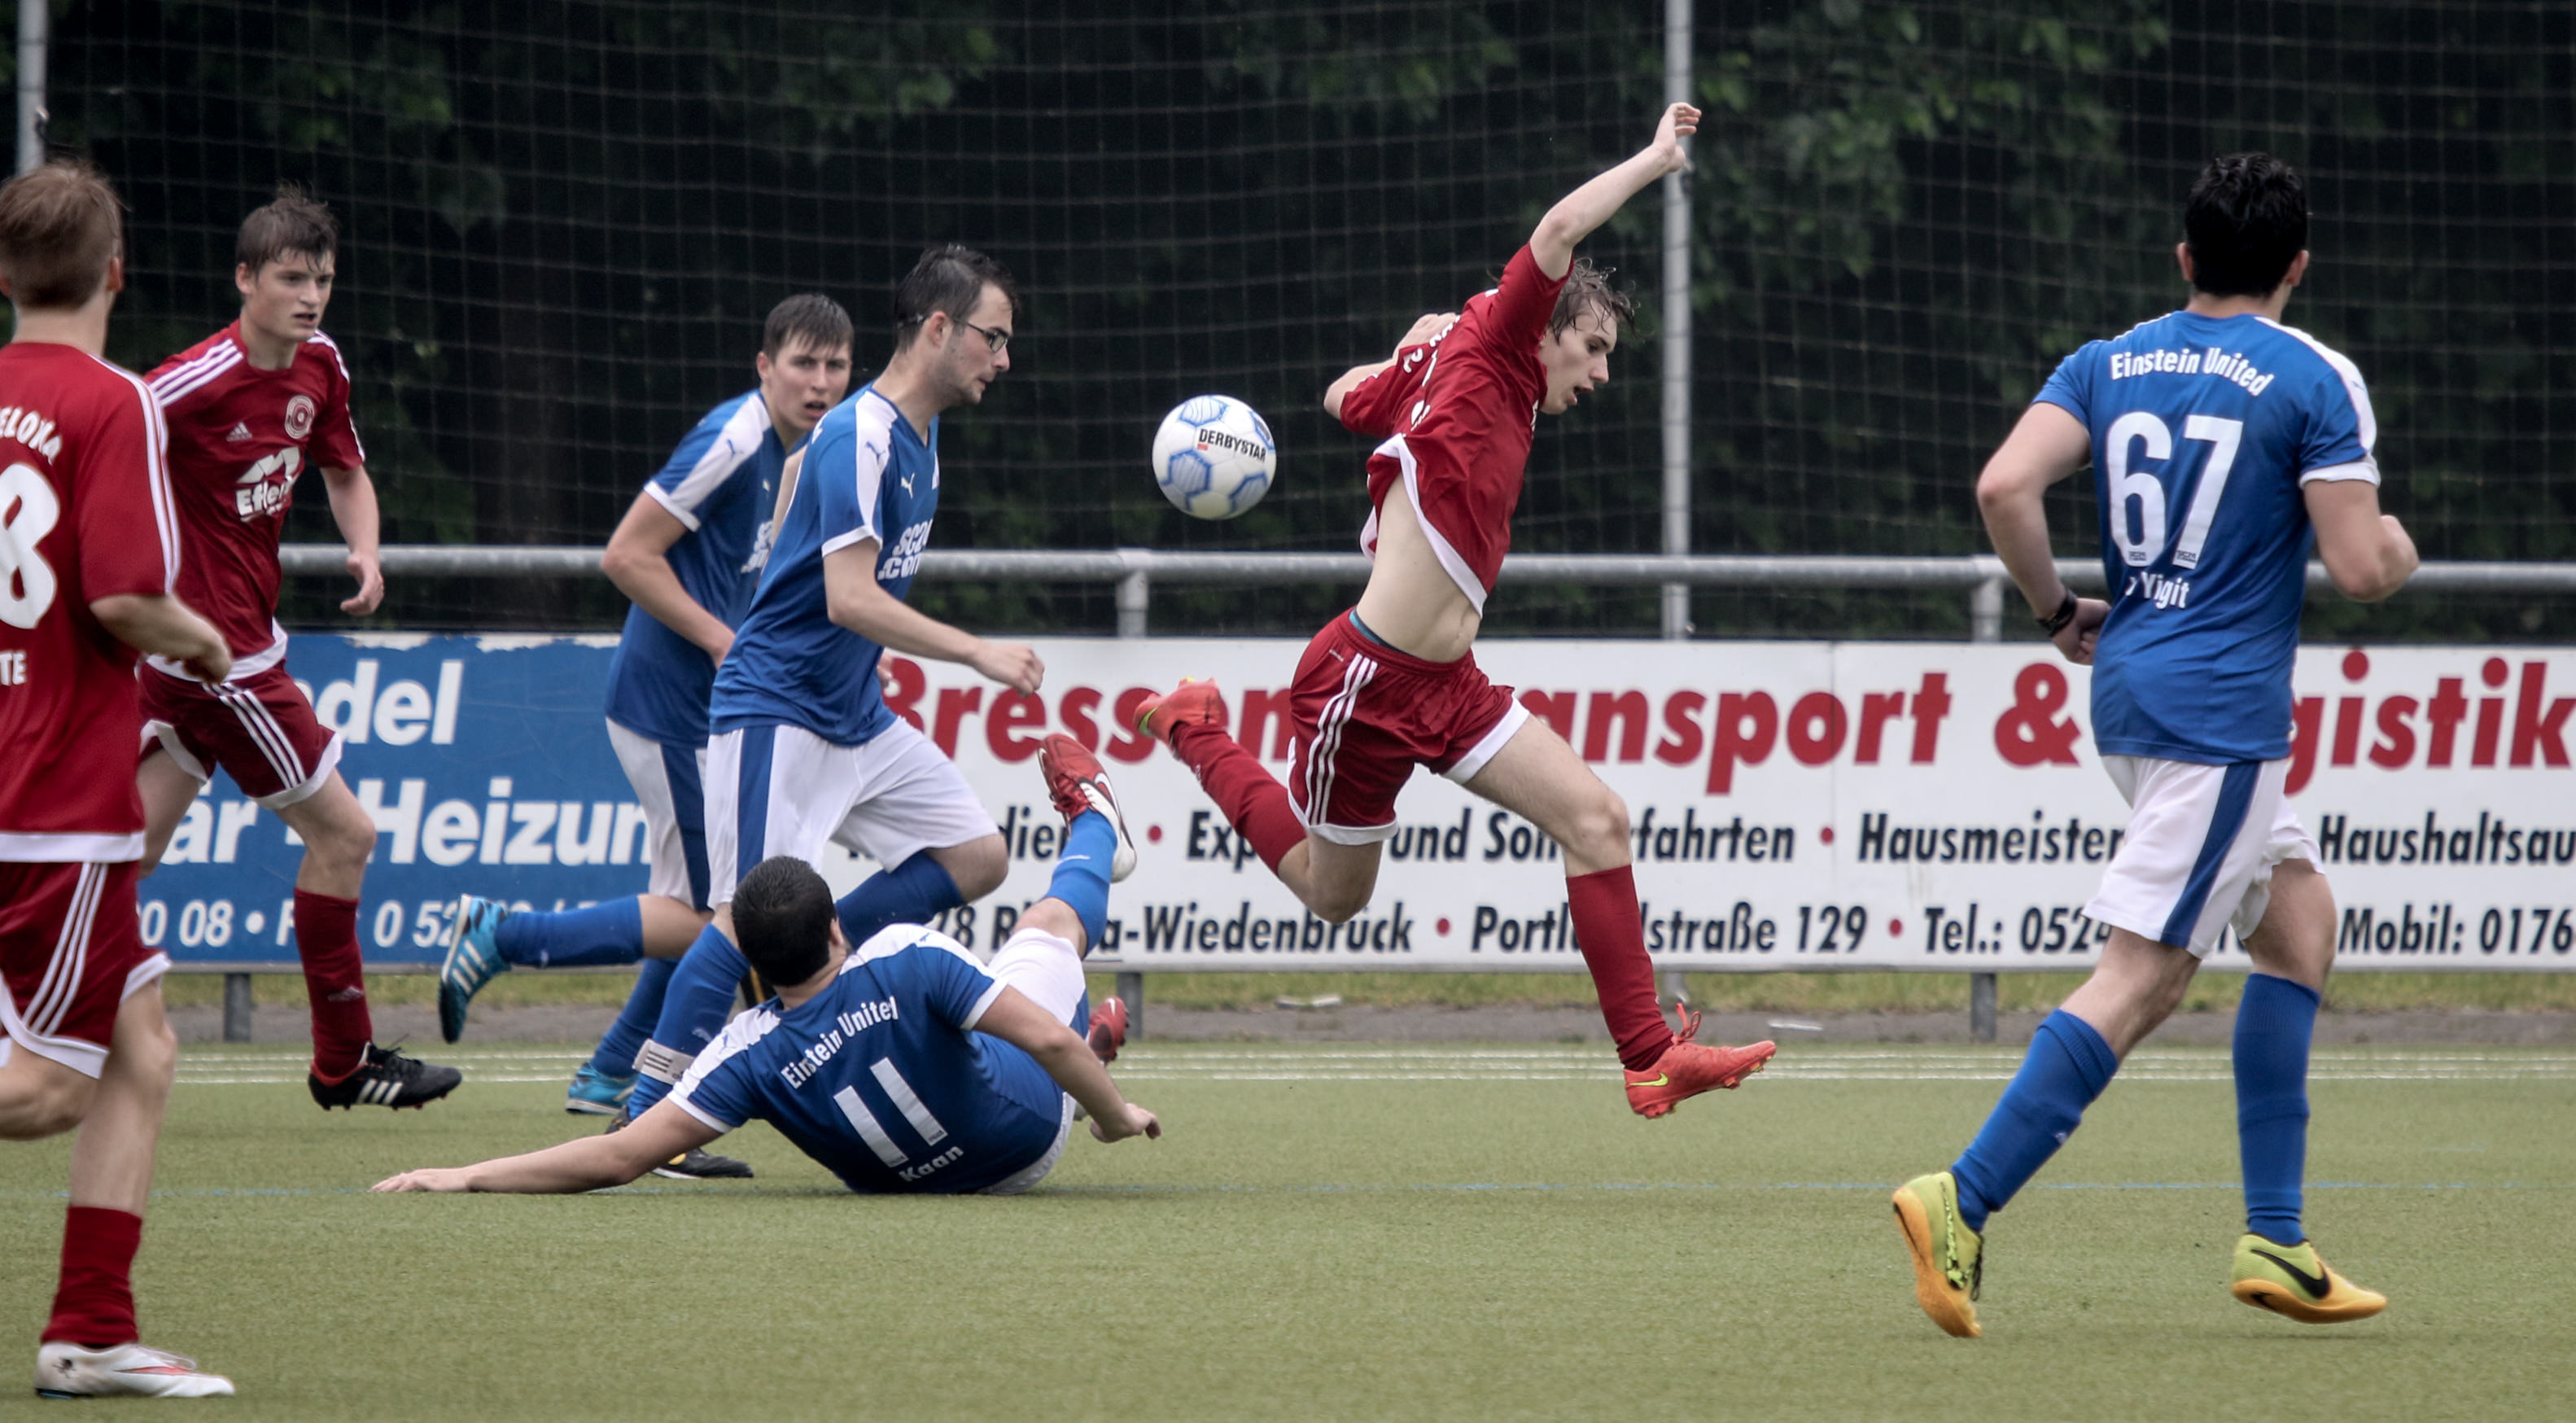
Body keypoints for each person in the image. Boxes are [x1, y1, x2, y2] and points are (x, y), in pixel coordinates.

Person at [1134, 102, 1772, 1119]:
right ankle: (1198, 729)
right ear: (1545, 322)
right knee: (1332, 895)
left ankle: (1650, 1056)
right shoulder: (1502, 339)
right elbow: (1558, 231)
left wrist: (1407, 355)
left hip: (1451, 685)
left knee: (1597, 818)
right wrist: (1656, 160)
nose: (1602, 372)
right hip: (1365, 682)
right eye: (1593, 346)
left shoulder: (1461, 359)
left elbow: (1341, 396)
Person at [1892, 153, 2416, 1338]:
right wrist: (2399, 544)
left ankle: (2276, 1238)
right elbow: (2358, 566)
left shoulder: (2109, 360)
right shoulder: (2313, 376)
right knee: (2147, 975)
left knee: (2298, 926)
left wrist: (2051, 613)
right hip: (2223, 718)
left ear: (2184, 257)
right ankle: (1962, 1195)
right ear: (2297, 266)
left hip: (2129, 693)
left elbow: (2004, 487)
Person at [612, 243, 1100, 1129]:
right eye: (993, 338)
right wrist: (977, 652)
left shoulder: (915, 435)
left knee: (976, 856)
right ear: (940, 328)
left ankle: (814, 953)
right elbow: (849, 596)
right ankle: (646, 1113)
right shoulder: (860, 433)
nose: (1003, 359)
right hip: (778, 709)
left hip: (852, 713)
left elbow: (802, 504)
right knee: (738, 917)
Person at [371, 737, 1155, 1197]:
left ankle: (1087, 1059)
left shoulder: (744, 1051)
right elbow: (1047, 1043)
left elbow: (618, 1155)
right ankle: (1095, 819)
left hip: (920, 1181)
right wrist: (1116, 1116)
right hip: (1025, 1142)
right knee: (1046, 927)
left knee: (1008, 1028)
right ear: (839, 927)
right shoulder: (902, 954)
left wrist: (466, 1175)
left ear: (746, 955)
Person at [435, 295, 855, 1137]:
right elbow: (626, 554)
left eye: (835, 366)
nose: (819, 382)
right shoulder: (732, 441)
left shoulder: (805, 451)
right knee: (715, 915)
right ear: (764, 366)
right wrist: (722, 641)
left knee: (703, 904)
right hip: (670, 709)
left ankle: (610, 1069)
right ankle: (506, 935)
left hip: (712, 712)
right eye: (802, 363)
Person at [133, 186, 459, 1110]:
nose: (310, 296)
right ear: (245, 279)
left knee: (121, 852)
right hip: (221, 661)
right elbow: (93, 450)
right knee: (345, 835)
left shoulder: (320, 364)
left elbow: (345, 469)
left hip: (204, 657)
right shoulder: (187, 384)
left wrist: (365, 547)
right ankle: (343, 1062)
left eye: (321, 278)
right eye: (290, 278)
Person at [0, 160, 237, 1398]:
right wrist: (206, 642)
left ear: (4, 275)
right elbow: (124, 598)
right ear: (115, 272)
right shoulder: (115, 402)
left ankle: (89, 1330)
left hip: (20, 785)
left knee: (143, 1048)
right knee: (51, 1085)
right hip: (53, 804)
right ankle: (89, 1331)